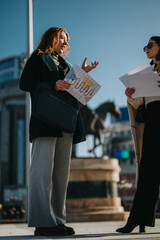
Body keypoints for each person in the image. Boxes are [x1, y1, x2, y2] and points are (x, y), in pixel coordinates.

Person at [19, 27, 99, 237]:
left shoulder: (64, 64)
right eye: (61, 37)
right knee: (42, 174)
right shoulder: (38, 57)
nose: (65, 41)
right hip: (45, 121)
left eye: (67, 39)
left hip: (65, 123)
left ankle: (57, 220)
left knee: (60, 177)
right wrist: (52, 84)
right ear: (51, 38)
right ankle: (43, 223)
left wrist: (81, 75)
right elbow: (24, 83)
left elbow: (72, 88)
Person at [116, 36, 160, 233]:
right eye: (145, 47)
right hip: (153, 120)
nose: (146, 49)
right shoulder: (147, 71)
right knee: (147, 172)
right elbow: (139, 105)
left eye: (150, 45)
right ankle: (137, 219)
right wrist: (132, 96)